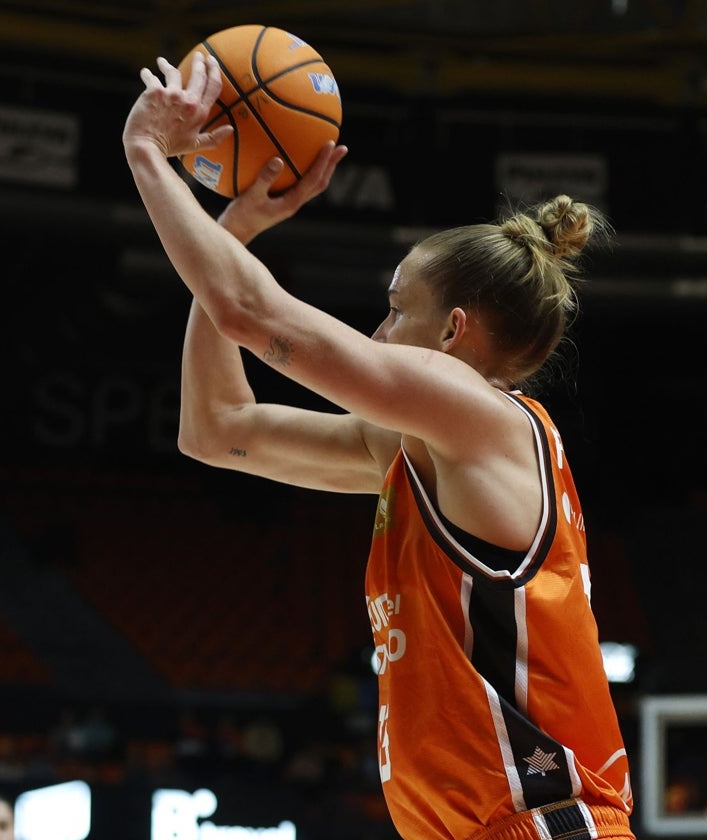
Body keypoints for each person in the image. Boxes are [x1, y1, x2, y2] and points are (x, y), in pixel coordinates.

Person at [122, 51, 635, 840]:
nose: (379, 331)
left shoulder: (484, 418)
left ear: (455, 332)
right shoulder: (419, 455)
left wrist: (148, 156)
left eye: (396, 311)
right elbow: (219, 431)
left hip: (546, 825)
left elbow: (256, 319)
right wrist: (238, 227)